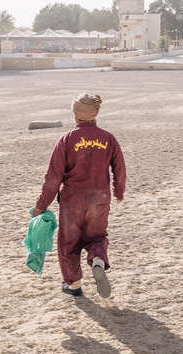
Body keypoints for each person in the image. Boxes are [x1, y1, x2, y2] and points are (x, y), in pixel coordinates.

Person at [32, 93, 126, 298]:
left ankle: (73, 284)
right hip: (100, 199)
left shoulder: (66, 140)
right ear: (95, 114)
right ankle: (98, 261)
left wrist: (41, 205)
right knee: (97, 236)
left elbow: (53, 177)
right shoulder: (108, 138)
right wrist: (119, 192)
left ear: (76, 116)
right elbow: (119, 168)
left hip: (72, 200)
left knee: (69, 241)